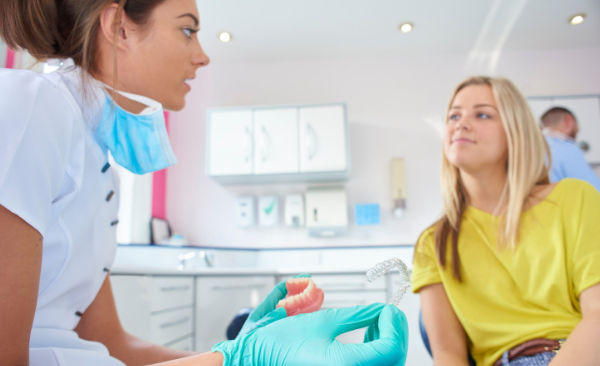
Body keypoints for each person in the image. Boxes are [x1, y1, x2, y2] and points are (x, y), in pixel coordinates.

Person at [0, 1, 408, 365]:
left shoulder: (97, 160)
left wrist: (236, 349)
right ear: (119, 27)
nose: (203, 56)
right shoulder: (34, 107)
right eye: (187, 30)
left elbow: (114, 345)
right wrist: (241, 359)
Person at [412, 76, 600, 366]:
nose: (461, 123)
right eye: (454, 115)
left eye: (482, 114)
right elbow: (449, 356)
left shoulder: (574, 199)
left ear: (516, 132)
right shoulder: (434, 243)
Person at [540, 107, 600, 192]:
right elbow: (595, 190)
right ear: (568, 120)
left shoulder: (534, 148)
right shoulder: (566, 148)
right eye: (576, 130)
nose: (577, 130)